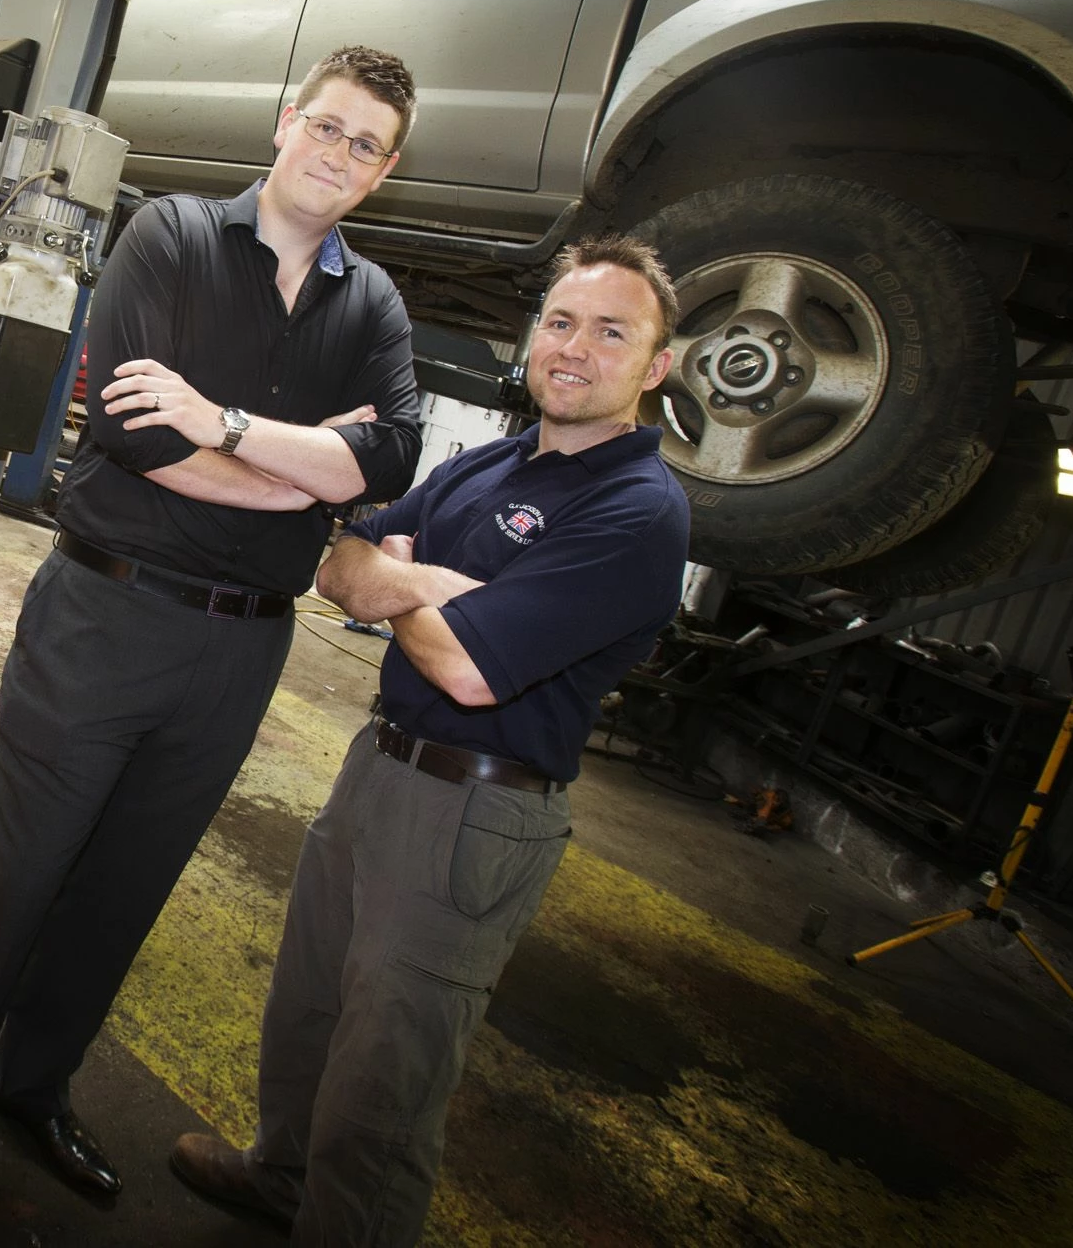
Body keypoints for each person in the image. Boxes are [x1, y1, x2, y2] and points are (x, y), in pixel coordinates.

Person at [0, 46, 426, 1245]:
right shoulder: (172, 238)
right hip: (107, 614)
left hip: (242, 650)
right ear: (285, 122)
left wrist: (234, 429)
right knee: (20, 882)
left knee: (122, 893)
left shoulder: (374, 306)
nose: (338, 155)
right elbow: (143, 439)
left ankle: (30, 1089)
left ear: (384, 171)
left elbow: (391, 459)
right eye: (328, 127)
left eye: (366, 146)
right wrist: (309, 473)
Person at [168, 236, 691, 1246]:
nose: (574, 348)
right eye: (560, 321)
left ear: (656, 367)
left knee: (385, 1087)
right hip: (380, 767)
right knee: (310, 1008)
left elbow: (468, 669)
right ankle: (282, 1177)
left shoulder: (637, 512)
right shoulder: (495, 461)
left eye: (611, 332)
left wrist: (397, 584)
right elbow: (340, 568)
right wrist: (430, 589)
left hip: (473, 814)